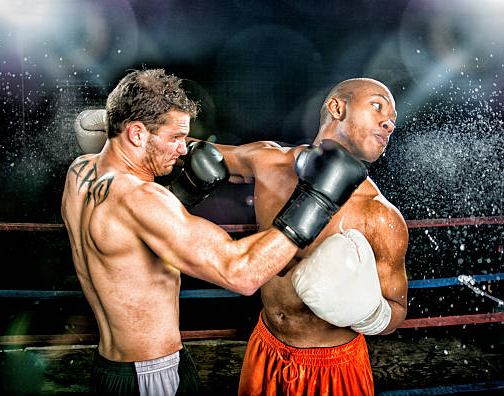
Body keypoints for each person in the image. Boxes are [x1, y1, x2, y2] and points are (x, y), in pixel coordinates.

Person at [63, 69, 368, 396]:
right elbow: (241, 273)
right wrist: (318, 199)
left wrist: (182, 194)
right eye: (175, 138)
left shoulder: (80, 172)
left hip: (110, 368)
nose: (184, 149)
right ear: (137, 133)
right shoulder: (143, 201)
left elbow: (124, 241)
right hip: (151, 375)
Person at [209, 78, 410, 395]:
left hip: (336, 368)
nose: (389, 122)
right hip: (265, 347)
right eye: (378, 105)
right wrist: (123, 133)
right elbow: (194, 155)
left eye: (393, 119)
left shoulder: (380, 216)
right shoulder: (268, 161)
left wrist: (369, 314)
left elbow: (397, 308)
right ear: (337, 107)